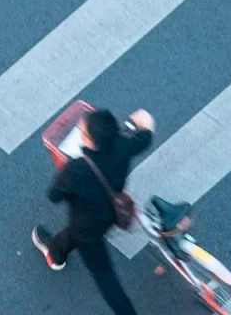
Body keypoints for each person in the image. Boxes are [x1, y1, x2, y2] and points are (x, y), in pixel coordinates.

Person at [33, 107, 155, 315]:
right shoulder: (123, 146)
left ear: (90, 142)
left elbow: (54, 195)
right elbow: (147, 134)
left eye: (83, 130)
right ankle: (56, 252)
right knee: (73, 234)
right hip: (112, 214)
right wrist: (144, 120)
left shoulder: (77, 169)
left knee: (105, 277)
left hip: (88, 229)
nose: (81, 130)